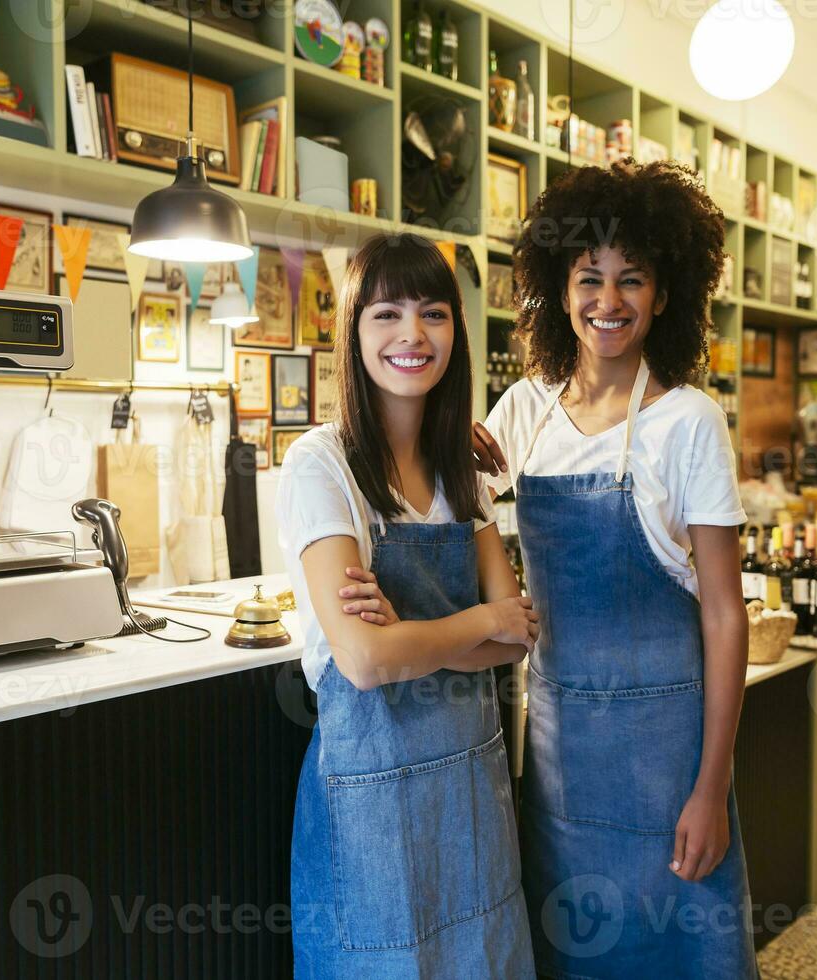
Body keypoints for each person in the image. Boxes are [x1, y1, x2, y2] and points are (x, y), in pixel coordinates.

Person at [473, 160, 758, 978]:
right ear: (559, 291)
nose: (609, 300)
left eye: (631, 279)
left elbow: (723, 614)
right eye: (589, 278)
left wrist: (712, 787)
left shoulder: (689, 422)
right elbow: (453, 508)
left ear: (665, 295)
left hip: (670, 763)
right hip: (563, 759)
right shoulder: (526, 410)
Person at [277, 232, 538, 979]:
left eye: (432, 313)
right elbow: (363, 660)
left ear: (457, 328)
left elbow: (518, 635)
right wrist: (477, 624)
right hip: (372, 805)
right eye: (385, 314)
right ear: (352, 331)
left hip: (472, 791)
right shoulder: (319, 465)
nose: (411, 335)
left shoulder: (463, 472)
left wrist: (416, 635)